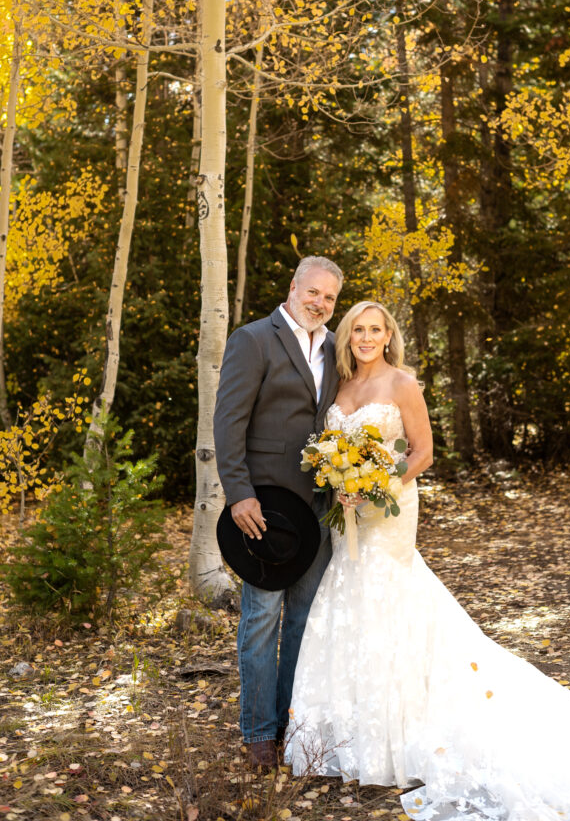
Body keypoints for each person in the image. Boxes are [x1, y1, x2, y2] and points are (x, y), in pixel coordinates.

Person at [286, 301, 570, 821]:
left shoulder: (403, 384)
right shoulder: (337, 387)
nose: (365, 336)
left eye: (375, 329)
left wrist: (376, 484)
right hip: (347, 514)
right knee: (349, 602)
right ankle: (355, 737)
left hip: (389, 509)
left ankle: (399, 736)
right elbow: (328, 448)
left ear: (388, 335)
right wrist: (341, 483)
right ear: (347, 336)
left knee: (389, 599)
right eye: (357, 328)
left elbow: (422, 453)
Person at [214, 255, 343, 769]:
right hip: (264, 508)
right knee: (262, 618)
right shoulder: (253, 340)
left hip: (319, 507)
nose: (319, 303)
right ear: (293, 287)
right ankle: (259, 734)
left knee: (304, 621)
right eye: (312, 292)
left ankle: (292, 722)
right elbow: (228, 422)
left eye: (329, 298)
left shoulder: (336, 347)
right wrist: (238, 492)